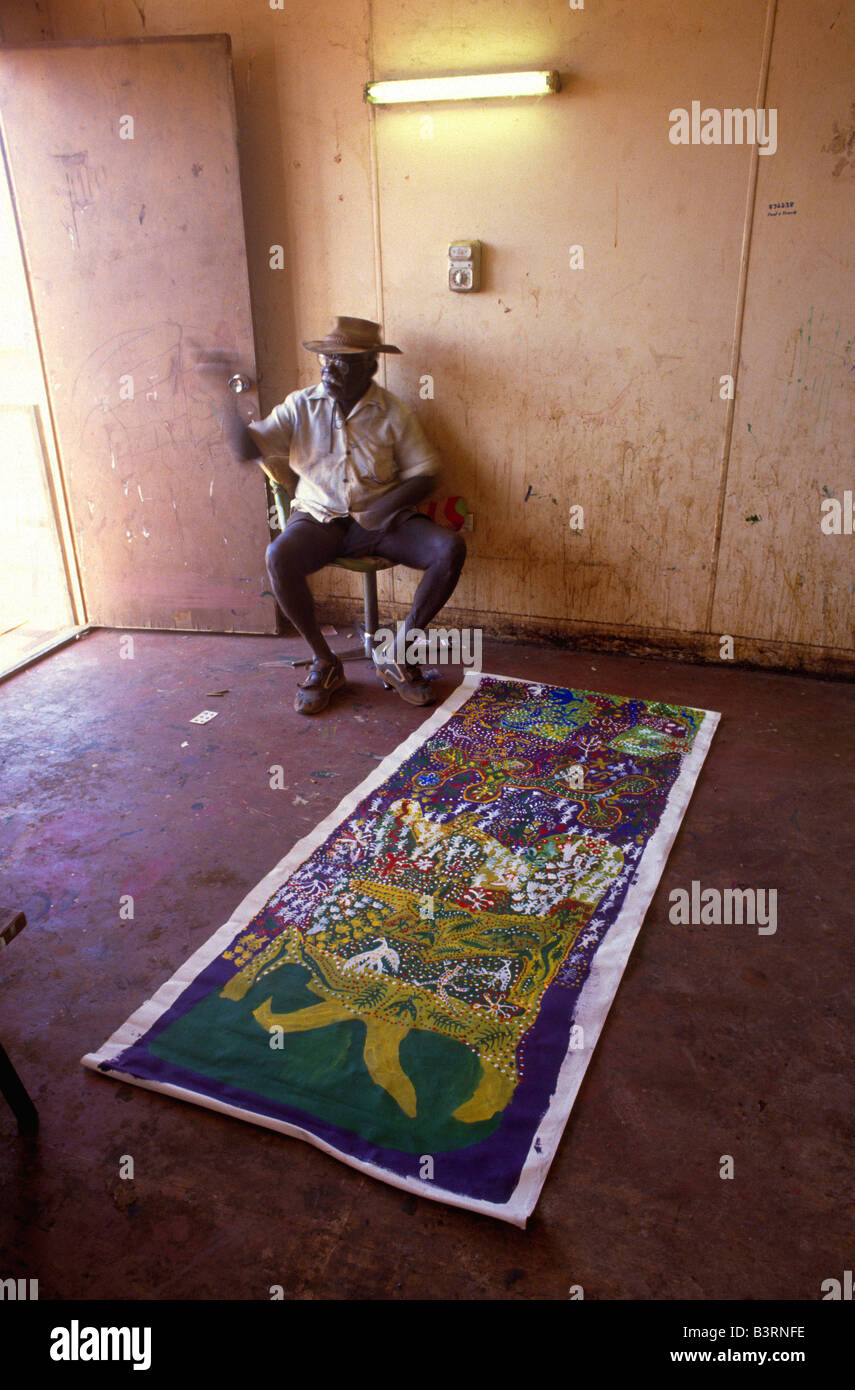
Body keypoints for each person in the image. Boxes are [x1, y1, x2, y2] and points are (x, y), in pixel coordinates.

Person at [216, 317, 466, 714]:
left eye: (344, 361)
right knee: (278, 557)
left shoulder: (391, 411)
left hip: (383, 521)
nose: (330, 368)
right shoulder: (301, 406)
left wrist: (382, 509)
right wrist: (224, 399)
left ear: (370, 365)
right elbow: (249, 449)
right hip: (319, 519)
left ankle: (398, 654)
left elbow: (427, 472)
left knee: (449, 548)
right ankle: (325, 661)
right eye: (327, 358)